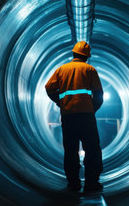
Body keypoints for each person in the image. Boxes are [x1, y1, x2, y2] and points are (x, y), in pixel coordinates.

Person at [45, 41, 104, 193]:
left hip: (68, 116)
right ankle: (91, 182)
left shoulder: (62, 70)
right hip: (86, 116)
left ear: (73, 54)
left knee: (70, 150)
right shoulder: (90, 69)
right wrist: (92, 109)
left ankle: (73, 183)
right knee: (92, 149)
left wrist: (60, 102)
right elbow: (98, 94)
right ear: (86, 57)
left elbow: (49, 88)